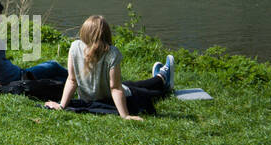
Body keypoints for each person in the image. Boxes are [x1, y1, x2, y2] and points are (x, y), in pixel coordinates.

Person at [44, 15, 176, 119]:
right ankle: (163, 82)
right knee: (144, 92)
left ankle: (161, 77)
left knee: (130, 84)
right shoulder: (112, 53)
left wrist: (62, 105)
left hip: (88, 99)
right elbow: (115, 88)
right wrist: (125, 116)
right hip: (109, 100)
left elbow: (72, 80)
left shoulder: (74, 47)